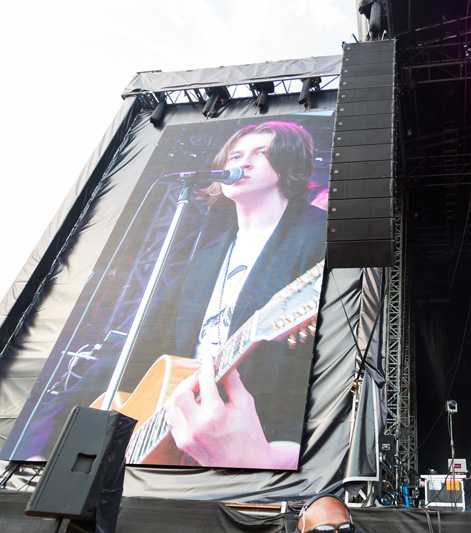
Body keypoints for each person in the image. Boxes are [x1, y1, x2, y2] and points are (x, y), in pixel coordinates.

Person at [130, 120, 327, 469]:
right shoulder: (205, 257)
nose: (244, 162)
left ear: (289, 163)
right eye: (235, 156)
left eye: (261, 153)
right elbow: (148, 342)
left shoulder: (320, 235)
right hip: (180, 431)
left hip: (265, 434)